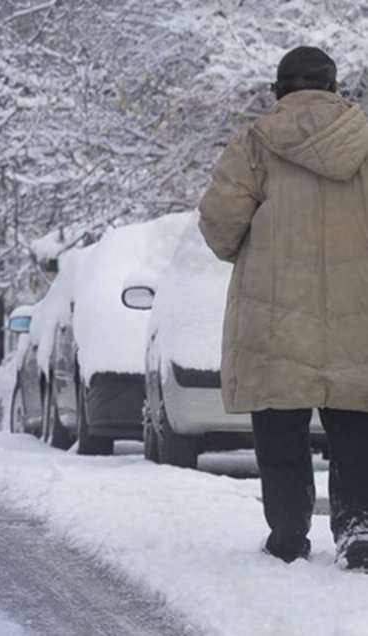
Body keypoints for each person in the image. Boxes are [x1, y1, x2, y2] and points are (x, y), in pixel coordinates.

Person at [199, 46, 368, 569]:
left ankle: (289, 534)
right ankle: (358, 528)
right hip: (358, 316)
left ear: (279, 90)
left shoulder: (253, 144)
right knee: (357, 427)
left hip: (274, 319)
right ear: (335, 88)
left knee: (279, 431)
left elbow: (220, 226)